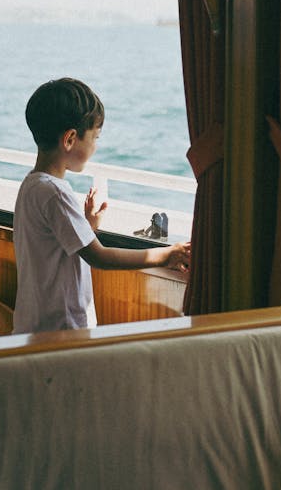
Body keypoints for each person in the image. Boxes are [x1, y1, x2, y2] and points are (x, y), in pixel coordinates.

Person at [12, 77, 191, 334]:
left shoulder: (31, 186)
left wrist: (87, 226)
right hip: (61, 330)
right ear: (70, 139)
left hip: (35, 325)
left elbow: (55, 246)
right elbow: (98, 257)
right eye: (94, 138)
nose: (95, 146)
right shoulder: (55, 193)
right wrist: (166, 255)